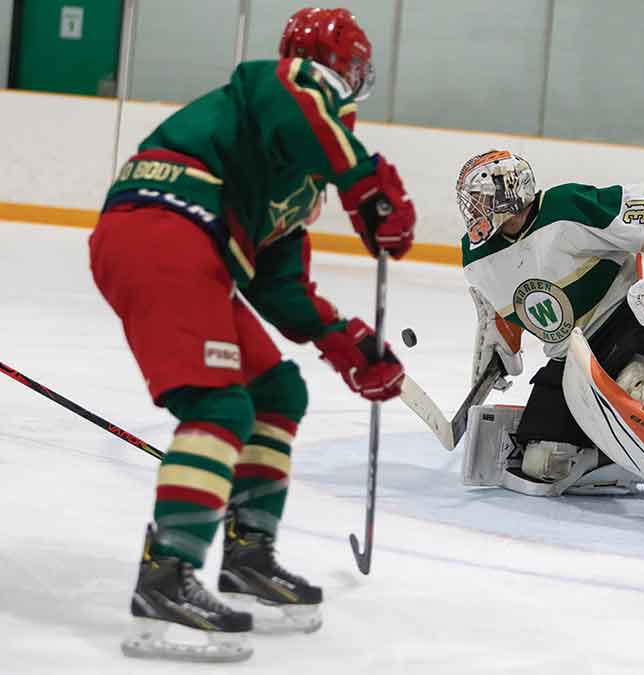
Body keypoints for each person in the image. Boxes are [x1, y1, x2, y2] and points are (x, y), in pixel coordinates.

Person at [89, 7, 415, 662]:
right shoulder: (281, 86)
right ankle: (167, 576)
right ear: (345, 69)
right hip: (162, 227)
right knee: (218, 406)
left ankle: (247, 558)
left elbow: (278, 282)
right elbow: (301, 101)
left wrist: (345, 343)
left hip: (194, 249)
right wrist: (363, 183)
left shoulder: (298, 168)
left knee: (275, 394)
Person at [457, 150, 644, 538]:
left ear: (510, 191)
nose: (474, 210)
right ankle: (631, 459)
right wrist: (499, 345)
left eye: (481, 198)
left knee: (637, 391)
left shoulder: (567, 206)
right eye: (471, 201)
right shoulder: (476, 254)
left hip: (628, 324)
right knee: (543, 464)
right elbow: (498, 303)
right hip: (573, 360)